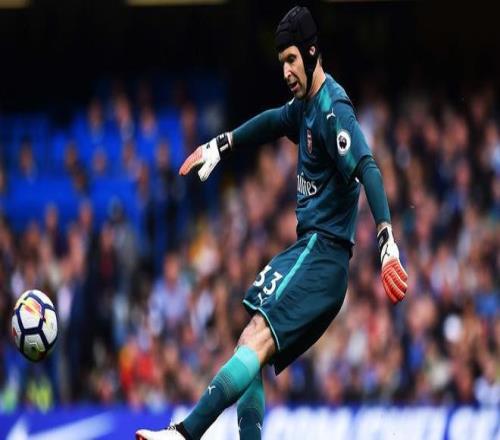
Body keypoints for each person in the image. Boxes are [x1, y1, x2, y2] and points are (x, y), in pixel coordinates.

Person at [136, 6, 407, 440]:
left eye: (292, 59)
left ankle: (185, 433)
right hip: (310, 252)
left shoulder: (332, 109)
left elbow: (368, 168)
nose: (285, 71)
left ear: (312, 52)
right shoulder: (304, 107)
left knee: (257, 336)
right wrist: (222, 144)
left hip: (323, 255)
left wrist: (386, 241)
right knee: (250, 342)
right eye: (281, 62)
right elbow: (273, 121)